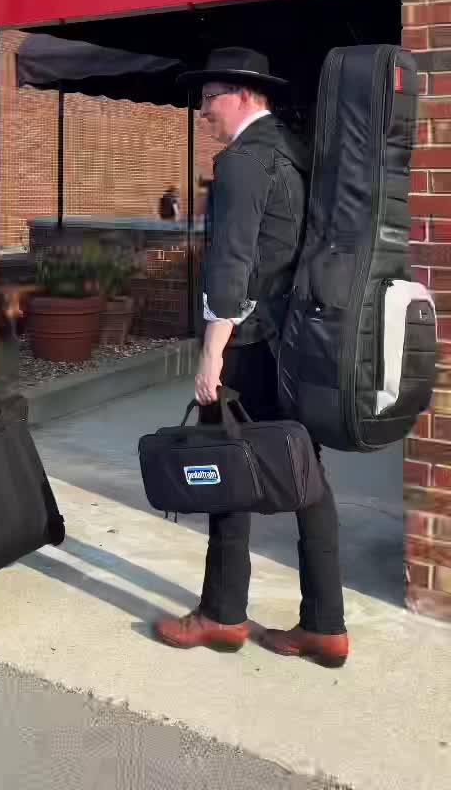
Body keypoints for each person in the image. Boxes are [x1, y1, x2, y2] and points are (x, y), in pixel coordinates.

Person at [153, 47, 348, 668]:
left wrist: (212, 353)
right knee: (306, 475)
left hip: (249, 341)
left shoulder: (243, 161)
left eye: (209, 97)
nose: (203, 110)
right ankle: (325, 625)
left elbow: (232, 263)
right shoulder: (295, 154)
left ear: (241, 95)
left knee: (224, 469)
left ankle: (222, 614)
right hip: (293, 343)